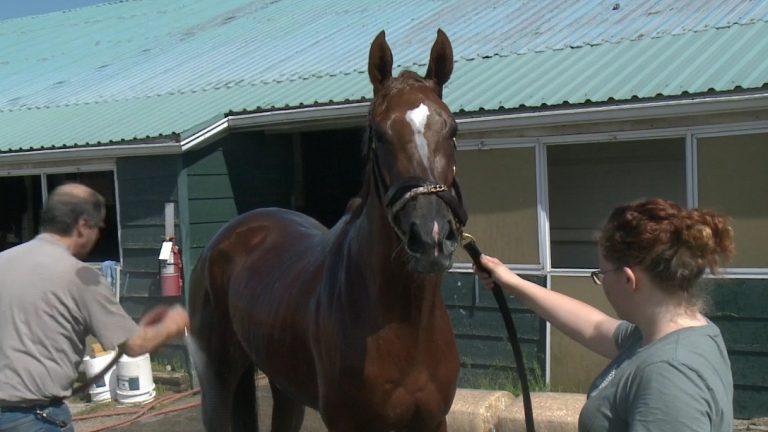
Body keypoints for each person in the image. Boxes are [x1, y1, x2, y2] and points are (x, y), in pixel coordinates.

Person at [474, 198, 735, 432]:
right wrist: (513, 282)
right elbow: (594, 326)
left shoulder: (670, 376)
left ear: (629, 279)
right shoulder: (666, 336)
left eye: (602, 274)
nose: (602, 284)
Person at [0, 183, 190, 431]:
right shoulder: (81, 276)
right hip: (35, 418)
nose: (99, 235)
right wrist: (173, 323)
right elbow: (135, 345)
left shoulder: (4, 261)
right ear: (82, 225)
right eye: (98, 227)